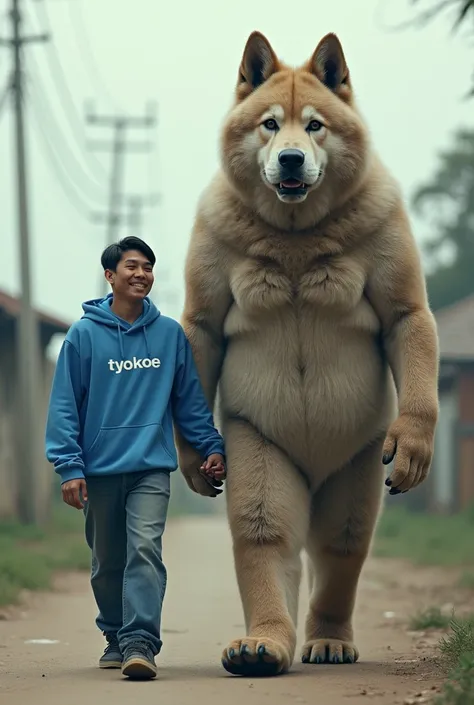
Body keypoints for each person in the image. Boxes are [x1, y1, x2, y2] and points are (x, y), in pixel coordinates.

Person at [45, 236, 226, 680]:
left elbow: (188, 401)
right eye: (131, 266)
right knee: (108, 562)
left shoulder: (168, 335)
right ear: (110, 275)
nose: (142, 273)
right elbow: (65, 404)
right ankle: (114, 634)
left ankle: (140, 641)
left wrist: (211, 446)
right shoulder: (83, 336)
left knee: (145, 550)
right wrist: (70, 466)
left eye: (148, 266)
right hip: (100, 469)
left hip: (150, 467)